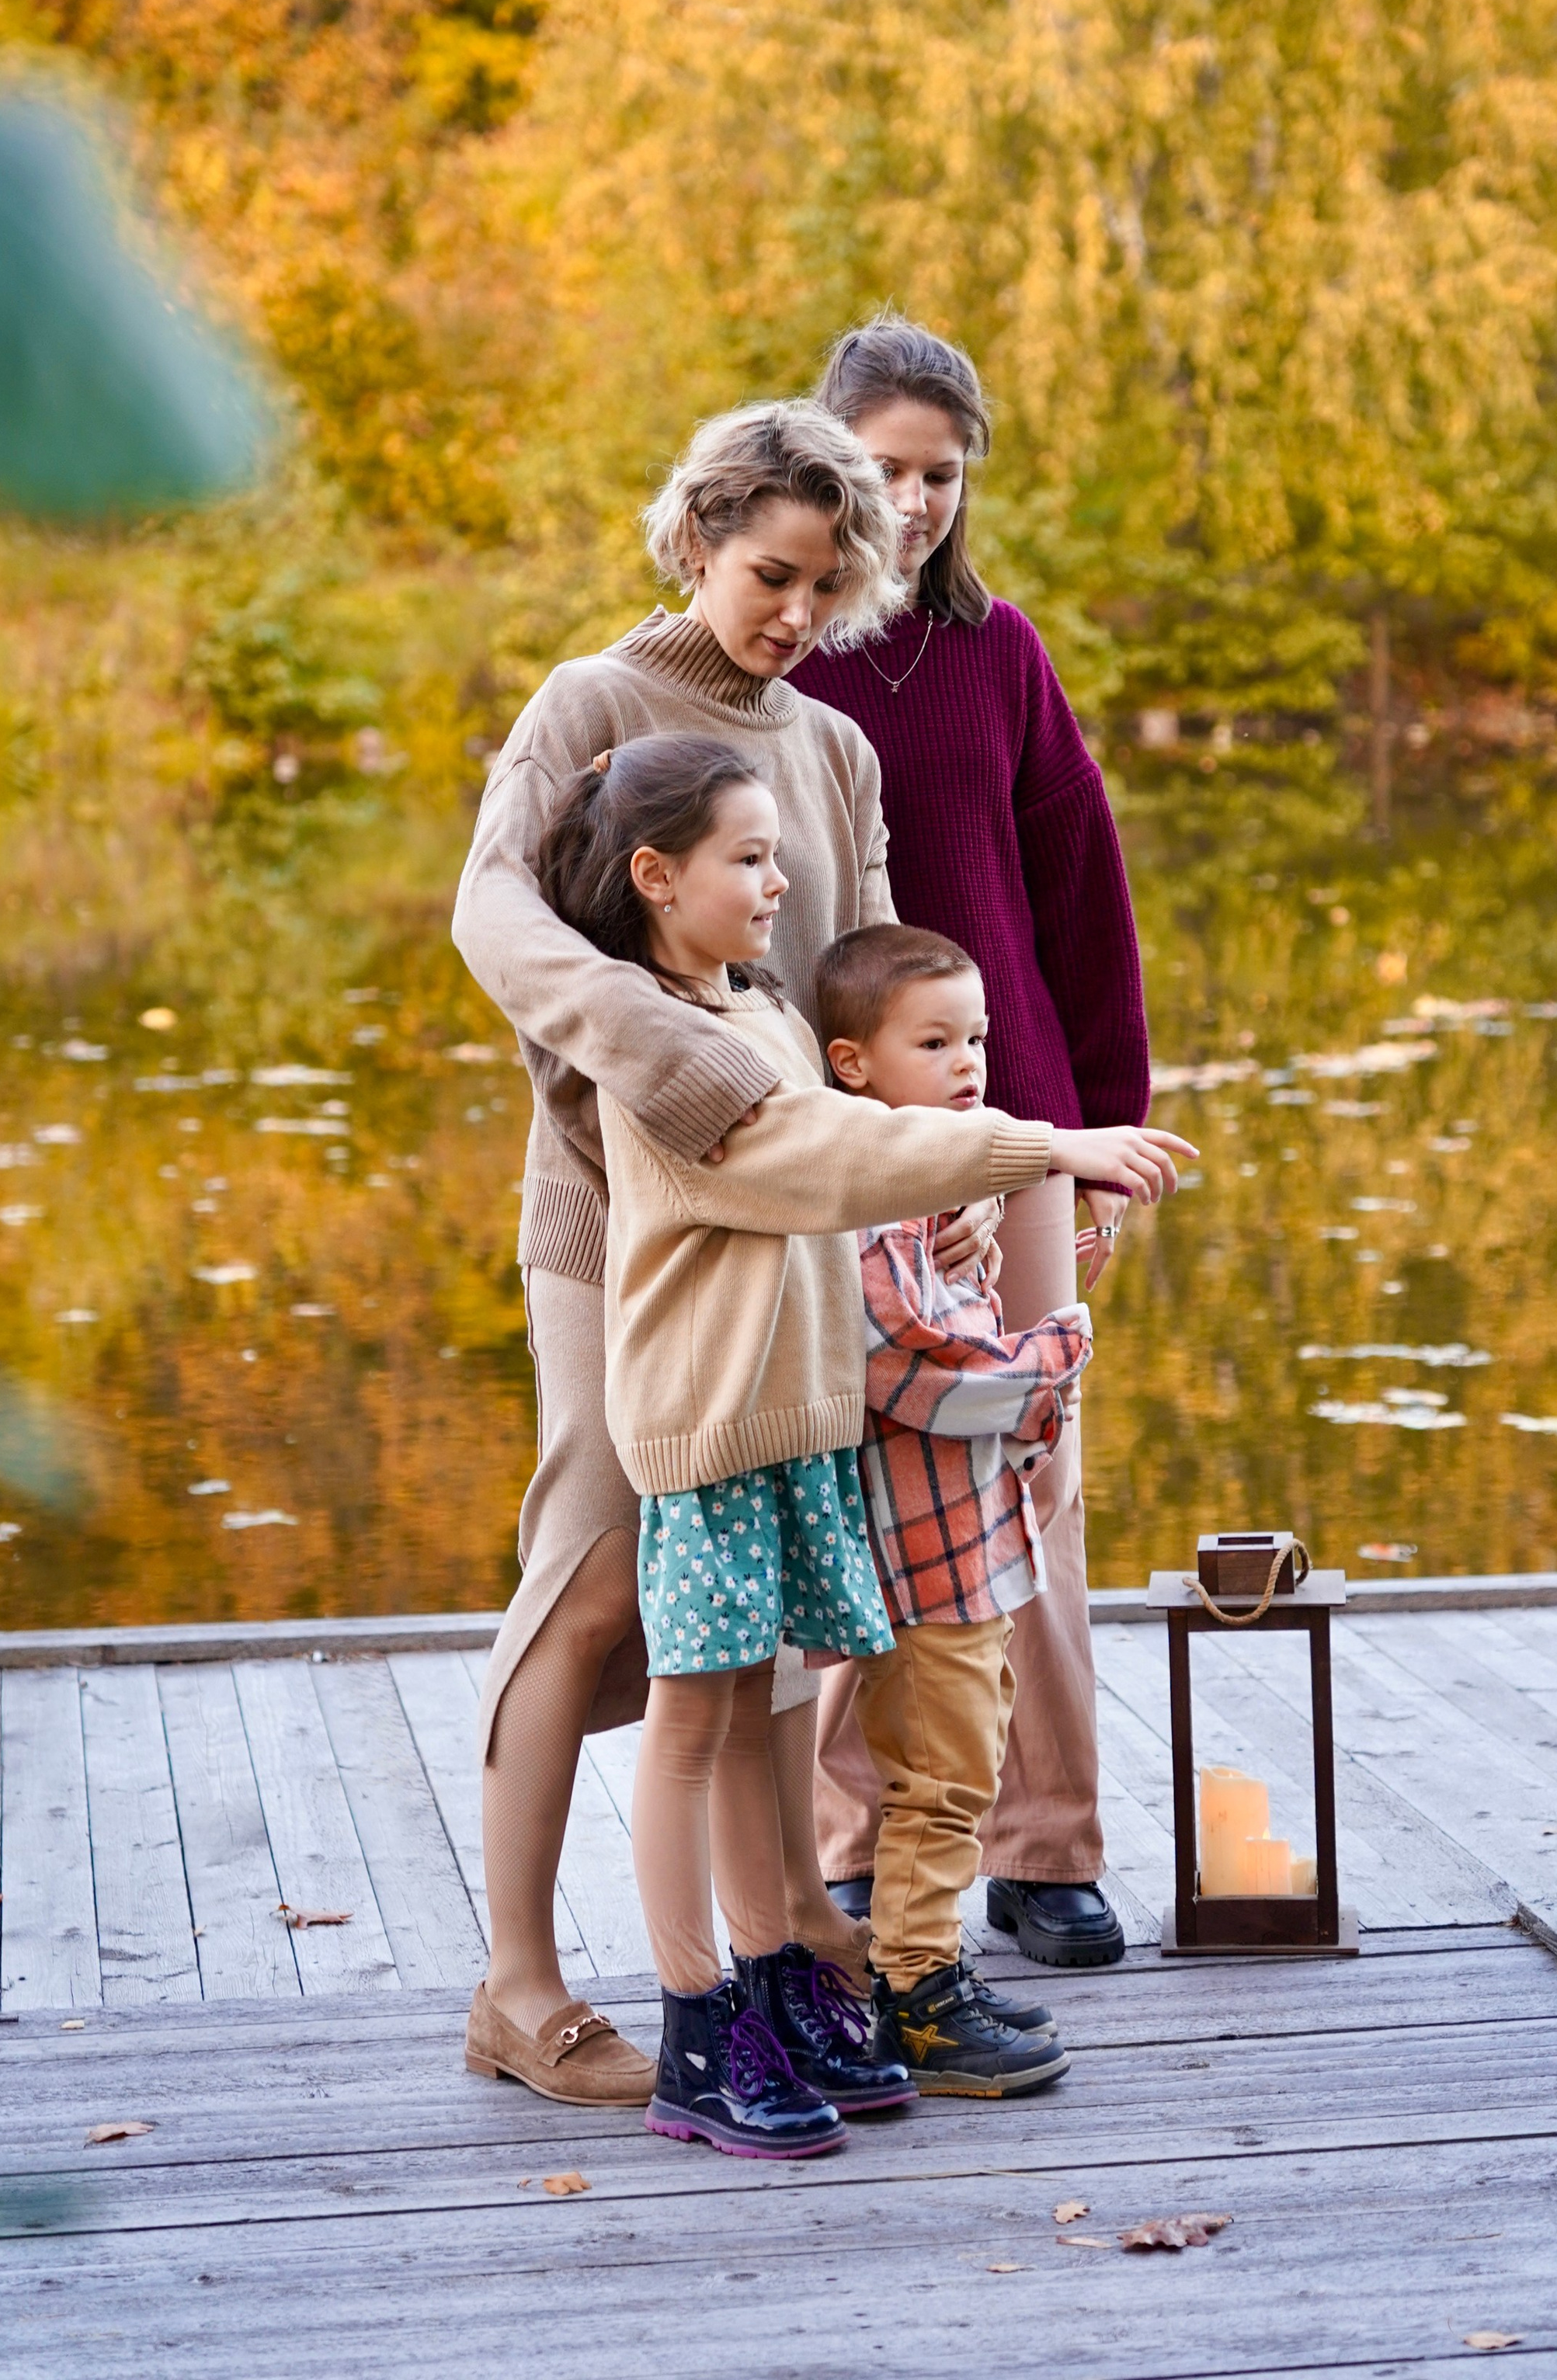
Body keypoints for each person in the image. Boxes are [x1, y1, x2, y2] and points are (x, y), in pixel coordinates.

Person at [453, 399, 1003, 2107]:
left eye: (824, 590)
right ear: (695, 538)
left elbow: (855, 988)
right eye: (769, 574)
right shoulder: (591, 707)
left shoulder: (826, 752)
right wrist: (670, 1061)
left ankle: (777, 1946)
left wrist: (941, 1148)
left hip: (786, 1237)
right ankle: (521, 1985)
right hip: (611, 1226)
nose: (789, 614)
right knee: (596, 1563)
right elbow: (493, 913)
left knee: (764, 1584)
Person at [531, 732, 1183, 2156]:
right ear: (657, 877)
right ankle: (700, 2027)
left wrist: (941, 1207)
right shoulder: (667, 1041)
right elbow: (814, 1159)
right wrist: (1038, 1147)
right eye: (750, 860)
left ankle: (777, 1974)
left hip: (809, 1428)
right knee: (694, 1726)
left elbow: (856, 1166)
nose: (781, 882)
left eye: (778, 853)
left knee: (771, 1714)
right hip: (709, 1438)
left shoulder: (755, 1003)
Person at [796, 313, 1153, 1969]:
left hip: (1006, 1128)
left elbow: (1081, 899)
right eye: (886, 469)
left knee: (1026, 1470)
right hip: (821, 1138)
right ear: (819, 464)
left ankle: (1044, 1844)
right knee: (847, 1471)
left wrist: (1099, 1137)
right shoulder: (764, 658)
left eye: (943, 472)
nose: (919, 500)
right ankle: (858, 1834)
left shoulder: (998, 651)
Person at [819, 921, 1144, 2091]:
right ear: (853, 1065)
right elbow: (925, 1371)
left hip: (971, 1549)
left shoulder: (938, 1188)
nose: (971, 1065)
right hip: (931, 1559)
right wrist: (1059, 1350)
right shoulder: (869, 1206)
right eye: (937, 1042)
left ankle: (927, 1970)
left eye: (980, 1040)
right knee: (946, 1776)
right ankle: (918, 1997)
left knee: (956, 1760)